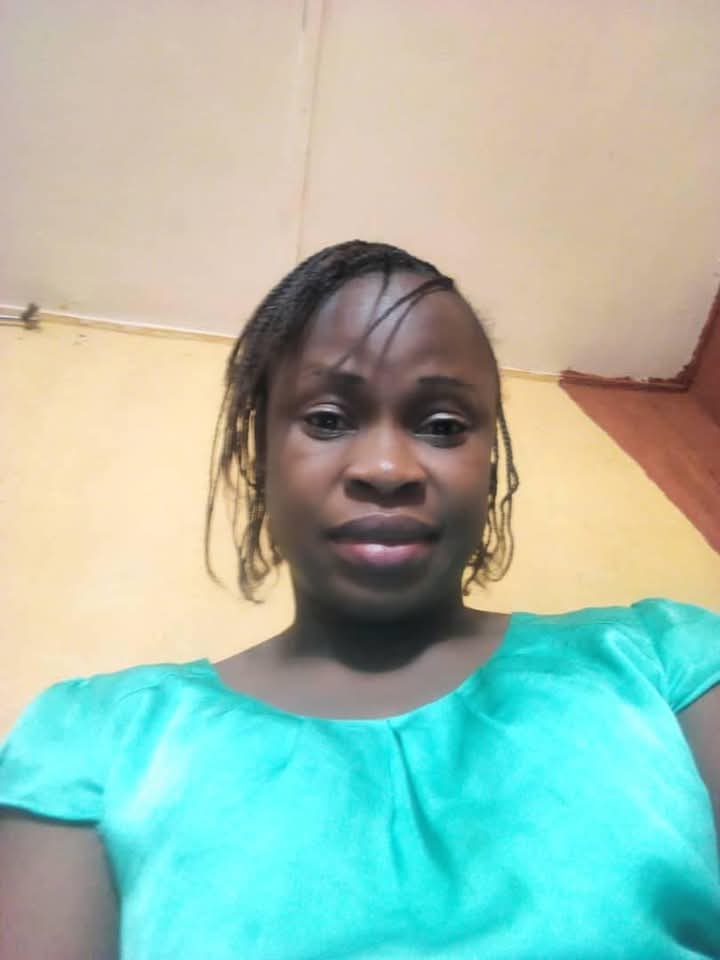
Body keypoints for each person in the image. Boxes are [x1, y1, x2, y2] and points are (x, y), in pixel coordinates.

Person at [0, 239, 718, 959]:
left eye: (443, 426)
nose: (385, 467)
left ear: (489, 465)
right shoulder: (95, 740)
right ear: (260, 458)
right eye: (326, 418)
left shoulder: (663, 662)